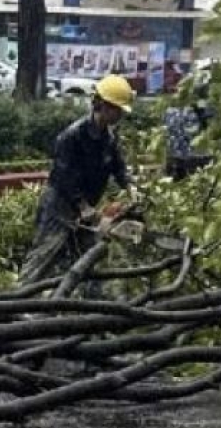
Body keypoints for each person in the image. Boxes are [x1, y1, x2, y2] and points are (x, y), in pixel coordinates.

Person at [21, 75, 138, 285]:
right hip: (60, 206)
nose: (120, 115)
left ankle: (88, 304)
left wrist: (130, 186)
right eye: (117, 110)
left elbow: (118, 167)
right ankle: (17, 301)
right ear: (103, 105)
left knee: (87, 258)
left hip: (86, 207)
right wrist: (82, 206)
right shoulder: (71, 137)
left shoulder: (109, 138)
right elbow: (65, 177)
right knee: (44, 256)